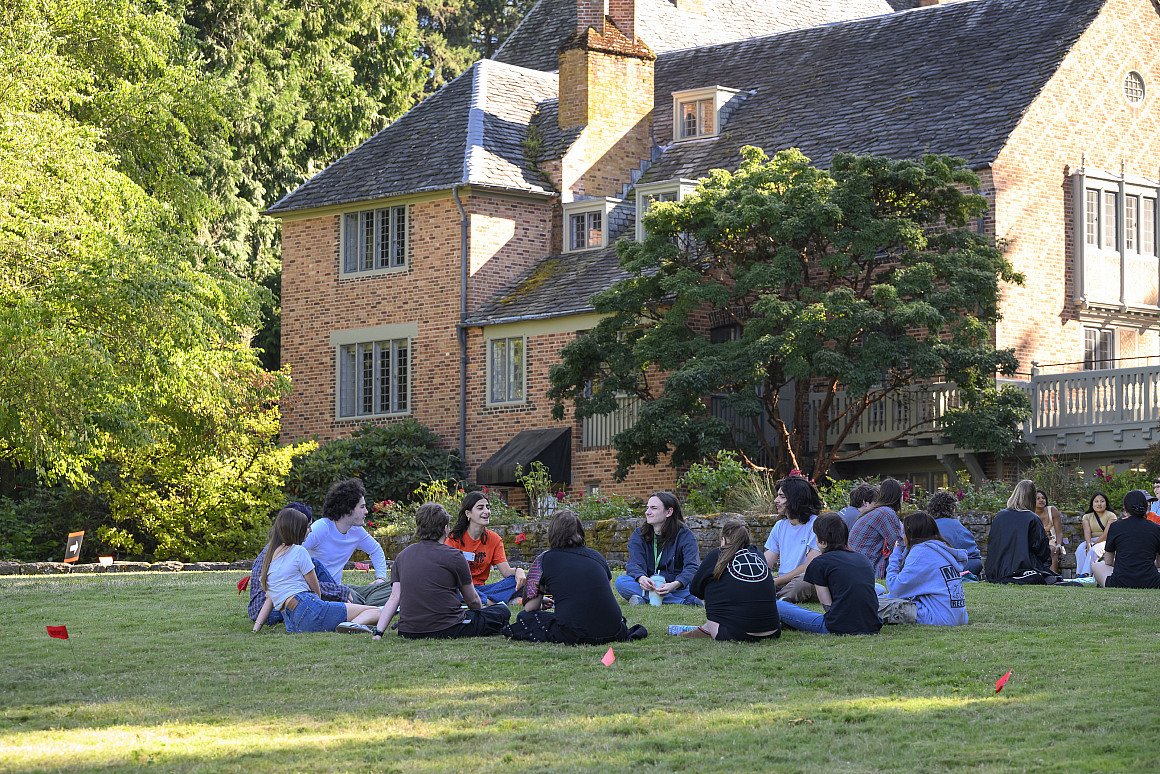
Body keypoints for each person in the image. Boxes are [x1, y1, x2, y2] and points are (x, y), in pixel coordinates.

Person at [372, 503, 510, 640]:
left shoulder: (402, 556)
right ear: (445, 529)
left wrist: (378, 632)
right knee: (502, 611)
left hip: (409, 631)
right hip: (448, 627)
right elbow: (472, 600)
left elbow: (394, 598)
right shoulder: (455, 556)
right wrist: (480, 613)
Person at [503, 510, 640, 644]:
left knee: (524, 617)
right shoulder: (597, 556)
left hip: (574, 632)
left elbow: (530, 607)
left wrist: (539, 601)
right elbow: (604, 596)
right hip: (613, 629)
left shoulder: (544, 559)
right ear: (581, 532)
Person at [252, 508, 383, 633]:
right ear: (297, 529)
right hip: (309, 607)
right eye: (307, 527)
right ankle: (349, 625)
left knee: (349, 613)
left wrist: (256, 628)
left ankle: (348, 623)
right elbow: (316, 590)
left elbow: (269, 600)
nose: (310, 530)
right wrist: (323, 610)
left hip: (292, 623)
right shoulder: (299, 551)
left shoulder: (272, 559)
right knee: (377, 612)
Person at [776, 513, 881, 635]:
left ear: (823, 542)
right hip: (872, 625)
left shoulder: (820, 563)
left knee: (779, 606)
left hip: (838, 627)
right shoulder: (863, 559)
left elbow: (827, 607)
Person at [682, 518, 780, 641]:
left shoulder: (717, 555)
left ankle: (707, 628)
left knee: (714, 585)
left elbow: (695, 589)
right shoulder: (758, 554)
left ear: (723, 539)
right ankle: (705, 629)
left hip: (734, 634)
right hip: (773, 631)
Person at [615, 491, 703, 606]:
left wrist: (675, 584)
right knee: (621, 582)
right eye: (647, 508)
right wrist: (642, 579)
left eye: (653, 508)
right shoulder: (639, 534)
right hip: (649, 585)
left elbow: (692, 567)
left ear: (669, 512)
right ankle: (683, 602)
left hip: (676, 586)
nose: (647, 512)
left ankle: (643, 599)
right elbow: (634, 564)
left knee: (697, 585)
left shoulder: (685, 535)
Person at [885, 511, 968, 626]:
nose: (902, 538)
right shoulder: (941, 548)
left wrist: (896, 554)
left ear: (912, 534)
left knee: (871, 603)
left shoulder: (920, 552)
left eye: (904, 533)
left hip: (938, 617)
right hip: (959, 617)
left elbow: (895, 589)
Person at [445, 491, 526, 604]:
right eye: (480, 508)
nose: (486, 511)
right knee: (454, 590)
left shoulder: (494, 539)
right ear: (468, 513)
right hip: (462, 588)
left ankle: (483, 600)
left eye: (487, 507)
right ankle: (494, 602)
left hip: (484, 590)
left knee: (518, 581)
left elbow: (506, 571)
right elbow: (446, 574)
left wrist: (520, 571)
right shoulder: (454, 539)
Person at [302, 479, 388, 585]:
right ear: (347, 509)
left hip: (337, 591)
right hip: (316, 591)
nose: (366, 511)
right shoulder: (321, 528)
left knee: (388, 589)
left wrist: (381, 578)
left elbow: (375, 550)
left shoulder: (357, 531)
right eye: (362, 507)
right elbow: (294, 552)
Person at [762, 476, 822, 602]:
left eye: (782, 497)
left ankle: (778, 600)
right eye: (778, 496)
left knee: (802, 583)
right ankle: (777, 597)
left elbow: (810, 566)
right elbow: (767, 561)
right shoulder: (780, 526)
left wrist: (777, 581)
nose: (776, 500)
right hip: (784, 582)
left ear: (796, 499)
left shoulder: (816, 525)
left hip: (806, 580)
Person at [984, 479, 1054, 584]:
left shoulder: (999, 516)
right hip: (1024, 570)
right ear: (1031, 498)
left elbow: (993, 545)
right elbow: (1043, 550)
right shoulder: (1032, 518)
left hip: (997, 571)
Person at [1091, 490, 1160, 589]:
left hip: (1121, 581)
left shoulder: (1115, 526)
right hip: (1151, 582)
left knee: (1096, 566)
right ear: (1146, 507)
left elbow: (1108, 561)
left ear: (1125, 508)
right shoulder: (1156, 528)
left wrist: (1125, 561)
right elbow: (1159, 563)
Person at [848, 478, 904, 579]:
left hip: (854, 567)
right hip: (866, 571)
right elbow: (898, 545)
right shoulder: (886, 513)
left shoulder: (875, 512)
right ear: (899, 497)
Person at [925, 490, 983, 577]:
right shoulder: (955, 526)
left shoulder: (925, 524)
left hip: (927, 569)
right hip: (949, 570)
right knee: (976, 562)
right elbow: (973, 554)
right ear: (953, 508)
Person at [1074, 491, 1115, 577]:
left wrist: (1093, 545)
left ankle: (1086, 573)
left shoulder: (1111, 516)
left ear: (1106, 503)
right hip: (1091, 539)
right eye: (1096, 501)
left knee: (1093, 550)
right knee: (1080, 549)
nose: (1099, 504)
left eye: (1102, 501)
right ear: (1092, 504)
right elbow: (1087, 531)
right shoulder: (1087, 516)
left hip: (1105, 541)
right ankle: (1080, 574)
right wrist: (1088, 544)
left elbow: (1106, 534)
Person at [1034, 489, 1066, 574]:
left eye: (1043, 498)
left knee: (1052, 550)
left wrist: (1059, 545)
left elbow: (1059, 532)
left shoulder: (1052, 511)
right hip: (1036, 541)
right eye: (1038, 498)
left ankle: (1053, 577)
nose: (1041, 500)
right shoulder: (1030, 513)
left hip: (1052, 541)